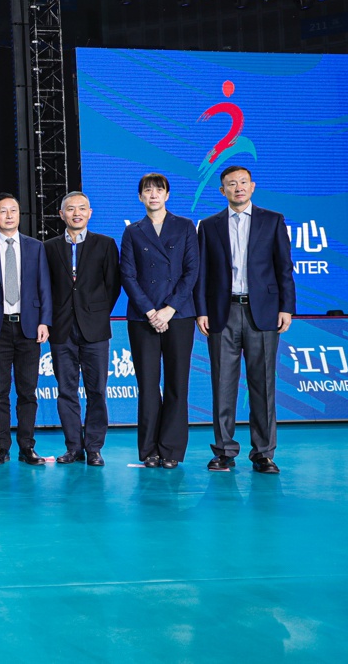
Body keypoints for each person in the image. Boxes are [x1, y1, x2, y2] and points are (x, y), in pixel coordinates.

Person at [197, 166, 295, 474]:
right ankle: (224, 451)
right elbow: (202, 273)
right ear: (222, 191)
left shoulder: (273, 220)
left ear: (252, 186)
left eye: (243, 182)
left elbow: (284, 267)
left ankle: (263, 453)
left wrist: (286, 307)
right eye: (231, 184)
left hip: (262, 312)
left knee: (263, 384)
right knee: (222, 385)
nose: (238, 187)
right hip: (222, 312)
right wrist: (201, 310)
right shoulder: (209, 226)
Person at [120, 173, 198, 469]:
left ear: (167, 195)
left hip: (179, 315)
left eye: (159, 190)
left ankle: (172, 449)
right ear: (140, 196)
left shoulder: (185, 226)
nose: (153, 195)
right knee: (148, 385)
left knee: (177, 383)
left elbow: (192, 270)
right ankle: (150, 450)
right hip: (143, 317)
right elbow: (127, 275)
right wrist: (151, 312)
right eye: (148, 190)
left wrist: (169, 309)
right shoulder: (133, 231)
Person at [0, 194, 52, 466]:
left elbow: (44, 287)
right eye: (3, 211)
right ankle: (1, 447)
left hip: (29, 327)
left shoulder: (35, 247)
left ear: (19, 214)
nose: (8, 215)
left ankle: (27, 447)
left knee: (28, 392)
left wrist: (44, 321)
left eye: (13, 210)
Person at [43, 191, 121, 467]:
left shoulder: (105, 244)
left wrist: (95, 313)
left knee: (97, 390)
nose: (76, 213)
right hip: (61, 329)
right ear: (61, 214)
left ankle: (94, 448)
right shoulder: (49, 247)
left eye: (82, 208)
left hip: (95, 330)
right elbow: (45, 287)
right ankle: (73, 447)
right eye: (70, 209)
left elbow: (112, 285)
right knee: (66, 391)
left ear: (90, 213)